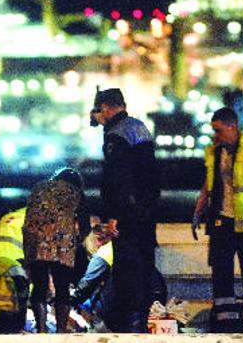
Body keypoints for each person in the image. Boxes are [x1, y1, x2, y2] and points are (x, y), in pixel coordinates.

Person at [191, 107, 243, 333]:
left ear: (232, 127)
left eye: (219, 130)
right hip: (222, 222)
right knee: (220, 274)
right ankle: (224, 324)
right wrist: (199, 210)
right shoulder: (214, 152)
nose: (215, 136)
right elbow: (209, 185)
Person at [89, 87, 160, 332]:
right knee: (144, 268)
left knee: (126, 271)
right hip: (147, 213)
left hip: (127, 215)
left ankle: (127, 326)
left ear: (107, 108)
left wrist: (114, 216)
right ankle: (141, 321)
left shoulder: (116, 134)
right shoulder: (139, 127)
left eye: (101, 110)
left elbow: (116, 178)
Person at [22, 167, 89, 333]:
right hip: (62, 242)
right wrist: (76, 241)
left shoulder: (39, 187)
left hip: (34, 240)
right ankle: (60, 331)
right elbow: (85, 226)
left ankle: (42, 330)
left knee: (39, 286)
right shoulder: (76, 192)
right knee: (62, 287)